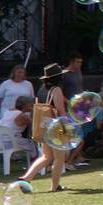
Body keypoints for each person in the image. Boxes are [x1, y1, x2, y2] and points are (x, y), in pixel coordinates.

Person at [20, 64, 69, 193]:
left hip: (44, 126)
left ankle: (26, 178)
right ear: (58, 77)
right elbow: (60, 110)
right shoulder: (56, 90)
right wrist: (66, 126)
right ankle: (54, 187)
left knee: (47, 156)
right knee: (59, 158)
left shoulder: (41, 89)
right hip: (55, 127)